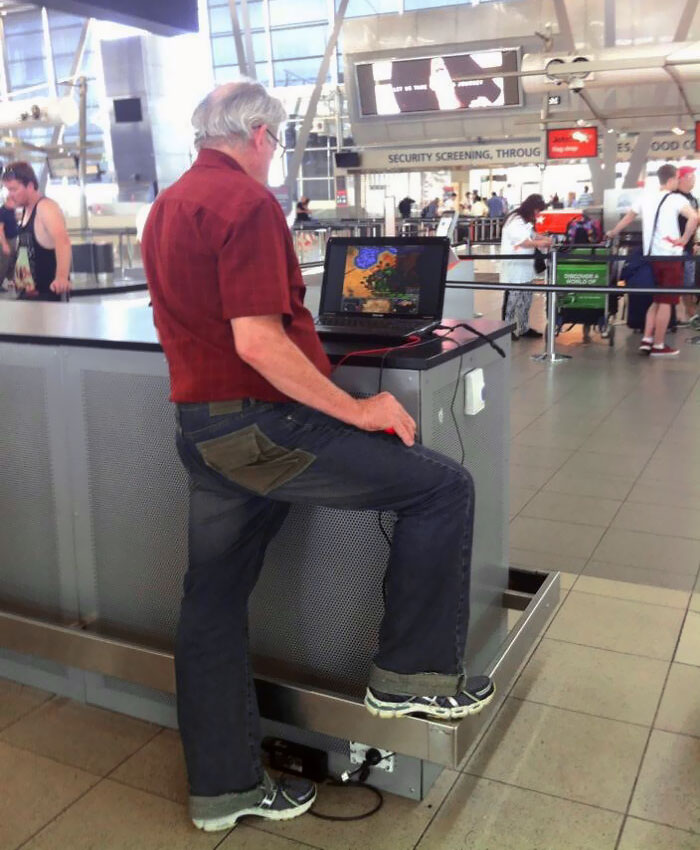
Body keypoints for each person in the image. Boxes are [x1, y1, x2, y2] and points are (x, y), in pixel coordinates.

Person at [141, 80, 494, 835]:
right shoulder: (248, 203)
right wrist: (359, 407)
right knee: (440, 490)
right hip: (260, 430)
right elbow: (258, 341)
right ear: (262, 134)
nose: (279, 154)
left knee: (210, 604)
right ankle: (409, 678)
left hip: (202, 430)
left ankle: (225, 788)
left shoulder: (170, 203)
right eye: (280, 141)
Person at [606, 162, 698, 357]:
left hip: (652, 256)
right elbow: (694, 218)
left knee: (656, 300)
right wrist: (683, 240)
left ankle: (647, 340)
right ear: (672, 179)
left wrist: (613, 232)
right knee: (666, 302)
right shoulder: (675, 199)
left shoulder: (645, 198)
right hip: (670, 256)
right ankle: (658, 344)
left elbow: (628, 218)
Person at [1, 161, 71, 301]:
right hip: (30, 296)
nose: (11, 195)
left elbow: (62, 241)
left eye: (14, 189)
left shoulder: (46, 208)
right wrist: (22, 280)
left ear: (31, 186)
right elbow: (27, 251)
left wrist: (61, 278)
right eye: (8, 190)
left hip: (48, 297)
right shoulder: (25, 210)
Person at [500, 193, 552, 340]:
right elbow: (523, 241)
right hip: (514, 267)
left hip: (525, 267)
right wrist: (540, 243)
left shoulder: (524, 220)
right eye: (537, 210)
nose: (538, 213)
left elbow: (531, 235)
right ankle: (506, 330)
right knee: (513, 299)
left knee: (526, 299)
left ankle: (523, 328)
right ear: (531, 208)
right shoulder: (514, 220)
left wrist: (543, 238)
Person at [673, 165, 699, 326]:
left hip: (689, 247)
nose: (694, 179)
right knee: (676, 281)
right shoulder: (674, 198)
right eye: (691, 176)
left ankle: (689, 313)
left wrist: (695, 241)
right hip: (675, 247)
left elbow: (695, 223)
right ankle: (680, 314)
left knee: (688, 281)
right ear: (682, 178)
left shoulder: (693, 199)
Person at [0, 194, 18, 286]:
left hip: (13, 238)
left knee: (12, 260)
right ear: (8, 201)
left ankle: (10, 279)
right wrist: (4, 244)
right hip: (5, 239)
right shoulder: (2, 211)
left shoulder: (12, 210)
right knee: (4, 262)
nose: (15, 204)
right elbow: (0, 230)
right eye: (14, 202)